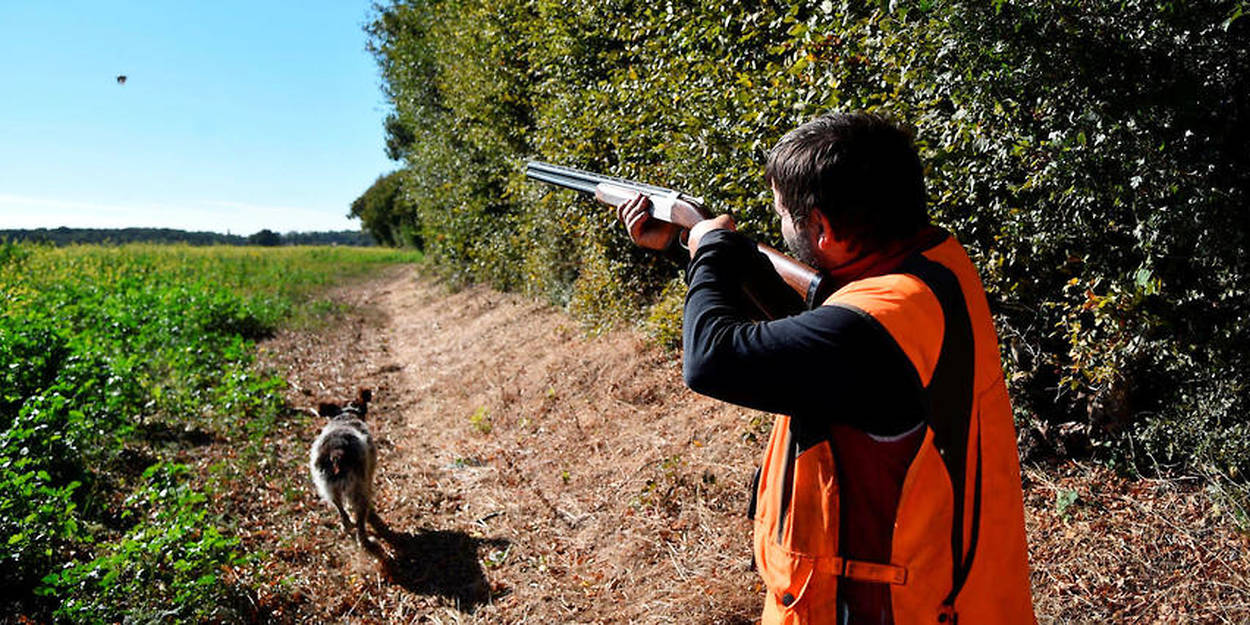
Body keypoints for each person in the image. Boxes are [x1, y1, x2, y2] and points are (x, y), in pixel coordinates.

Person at [617, 112, 1036, 625]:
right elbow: (817, 318)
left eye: (784, 216)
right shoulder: (934, 268)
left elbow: (710, 359)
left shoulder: (869, 328)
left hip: (882, 608)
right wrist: (691, 251)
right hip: (953, 594)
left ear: (824, 228)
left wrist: (711, 252)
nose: (779, 225)